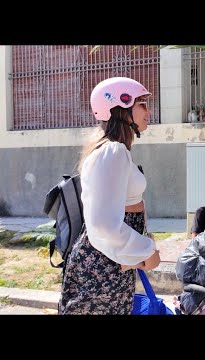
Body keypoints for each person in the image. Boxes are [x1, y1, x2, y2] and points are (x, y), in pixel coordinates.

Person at [59, 77, 161, 315]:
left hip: (111, 263)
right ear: (121, 107)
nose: (148, 111)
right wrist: (147, 249)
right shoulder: (112, 151)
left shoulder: (116, 151)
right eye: (142, 104)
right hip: (102, 268)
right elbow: (104, 225)